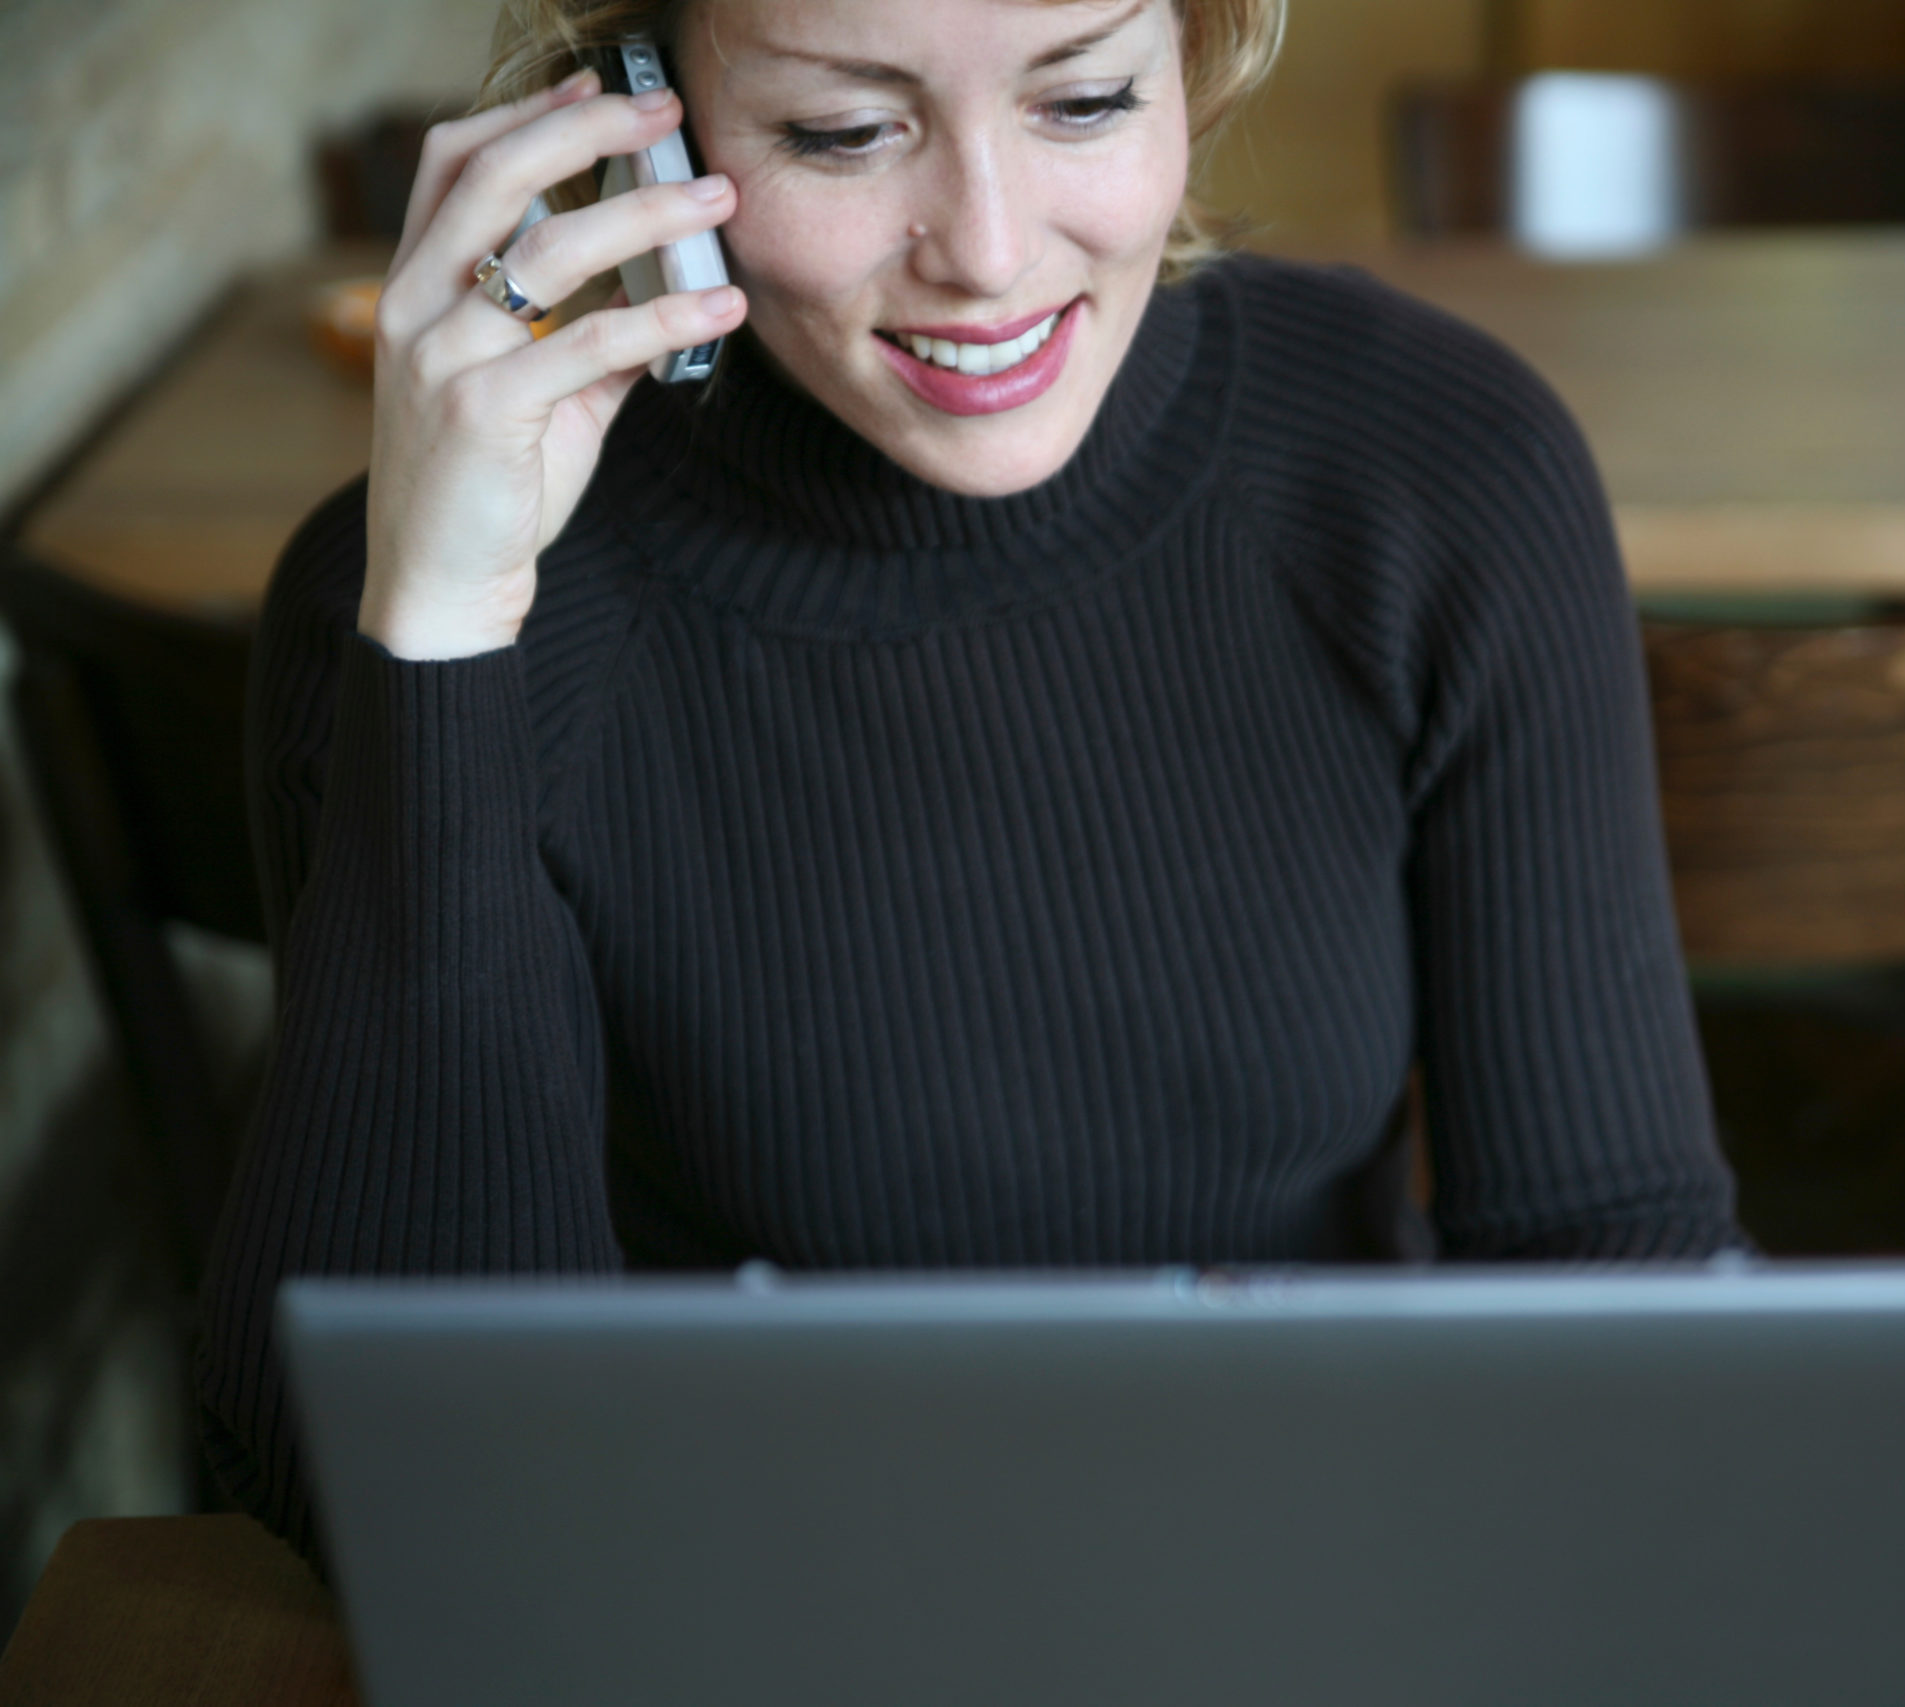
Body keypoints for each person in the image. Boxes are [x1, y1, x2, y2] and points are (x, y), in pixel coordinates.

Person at [197, 0, 1742, 1556]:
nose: (989, 253)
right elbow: (383, 1504)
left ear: (1192, 68)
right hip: (751, 1598)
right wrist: (449, 643)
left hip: (1332, 1555)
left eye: (1082, 102)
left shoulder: (1436, 470)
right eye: (845, 133)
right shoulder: (443, 595)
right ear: (636, 114)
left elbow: (1612, 1249)